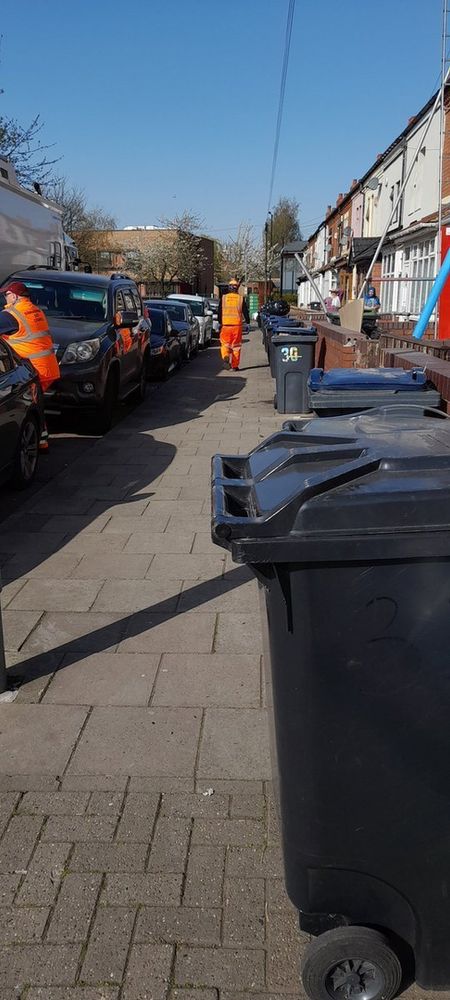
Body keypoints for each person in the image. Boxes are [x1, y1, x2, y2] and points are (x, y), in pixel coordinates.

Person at [0, 281, 60, 451]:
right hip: (47, 366)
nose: (6, 298)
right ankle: (41, 441)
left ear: (15, 296)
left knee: (31, 406)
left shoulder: (12, 314)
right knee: (36, 403)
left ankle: (37, 442)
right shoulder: (35, 310)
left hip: (33, 368)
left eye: (7, 295)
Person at [218, 278, 250, 371]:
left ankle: (225, 357)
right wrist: (248, 322)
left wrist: (220, 322)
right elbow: (245, 312)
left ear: (229, 288)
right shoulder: (240, 299)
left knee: (225, 344)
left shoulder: (223, 298)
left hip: (226, 326)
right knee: (236, 346)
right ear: (237, 288)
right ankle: (234, 366)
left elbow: (219, 311)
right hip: (237, 326)